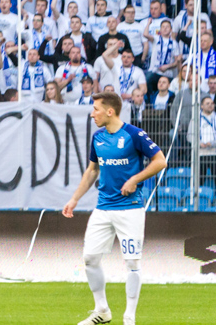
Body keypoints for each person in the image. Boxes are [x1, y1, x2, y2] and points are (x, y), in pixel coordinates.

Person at [63, 89, 167, 325]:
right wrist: (74, 199)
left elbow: (160, 160)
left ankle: (129, 317)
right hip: (103, 207)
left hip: (130, 209)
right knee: (90, 258)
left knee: (131, 263)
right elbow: (92, 171)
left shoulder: (134, 134)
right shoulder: (98, 137)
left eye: (96, 109)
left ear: (110, 111)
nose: (92, 114)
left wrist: (134, 180)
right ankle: (102, 310)